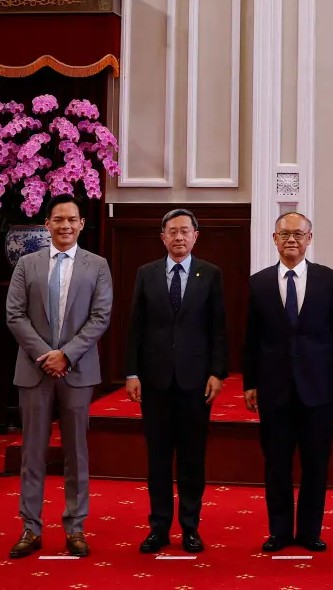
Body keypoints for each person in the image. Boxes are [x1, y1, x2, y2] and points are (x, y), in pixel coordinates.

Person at [5, 193, 112, 559]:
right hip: (34, 370)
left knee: (76, 453)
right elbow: (15, 315)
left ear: (82, 224)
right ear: (47, 224)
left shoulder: (97, 265)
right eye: (58, 219)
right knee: (31, 453)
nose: (65, 226)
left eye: (72, 220)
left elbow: (100, 317)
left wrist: (66, 354)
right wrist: (44, 355)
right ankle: (30, 528)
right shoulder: (27, 264)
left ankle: (76, 527)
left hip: (78, 371)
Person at [242, 212, 333, 553]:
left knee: (316, 462)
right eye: (285, 234)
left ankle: (308, 531)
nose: (292, 240)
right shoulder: (258, 283)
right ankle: (278, 531)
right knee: (276, 463)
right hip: (274, 387)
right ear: (274, 239)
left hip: (318, 387)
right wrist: (250, 382)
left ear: (310, 238)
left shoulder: (328, 280)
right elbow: (252, 338)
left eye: (298, 234)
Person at [124, 208, 229, 554]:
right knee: (157, 458)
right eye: (173, 231)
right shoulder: (146, 274)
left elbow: (218, 328)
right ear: (163, 237)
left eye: (185, 231)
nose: (179, 237)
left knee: (191, 459)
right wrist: (132, 372)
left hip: (195, 382)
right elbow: (135, 327)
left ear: (196, 236)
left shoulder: (209, 274)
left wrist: (217, 372)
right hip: (154, 382)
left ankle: (190, 527)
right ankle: (158, 528)